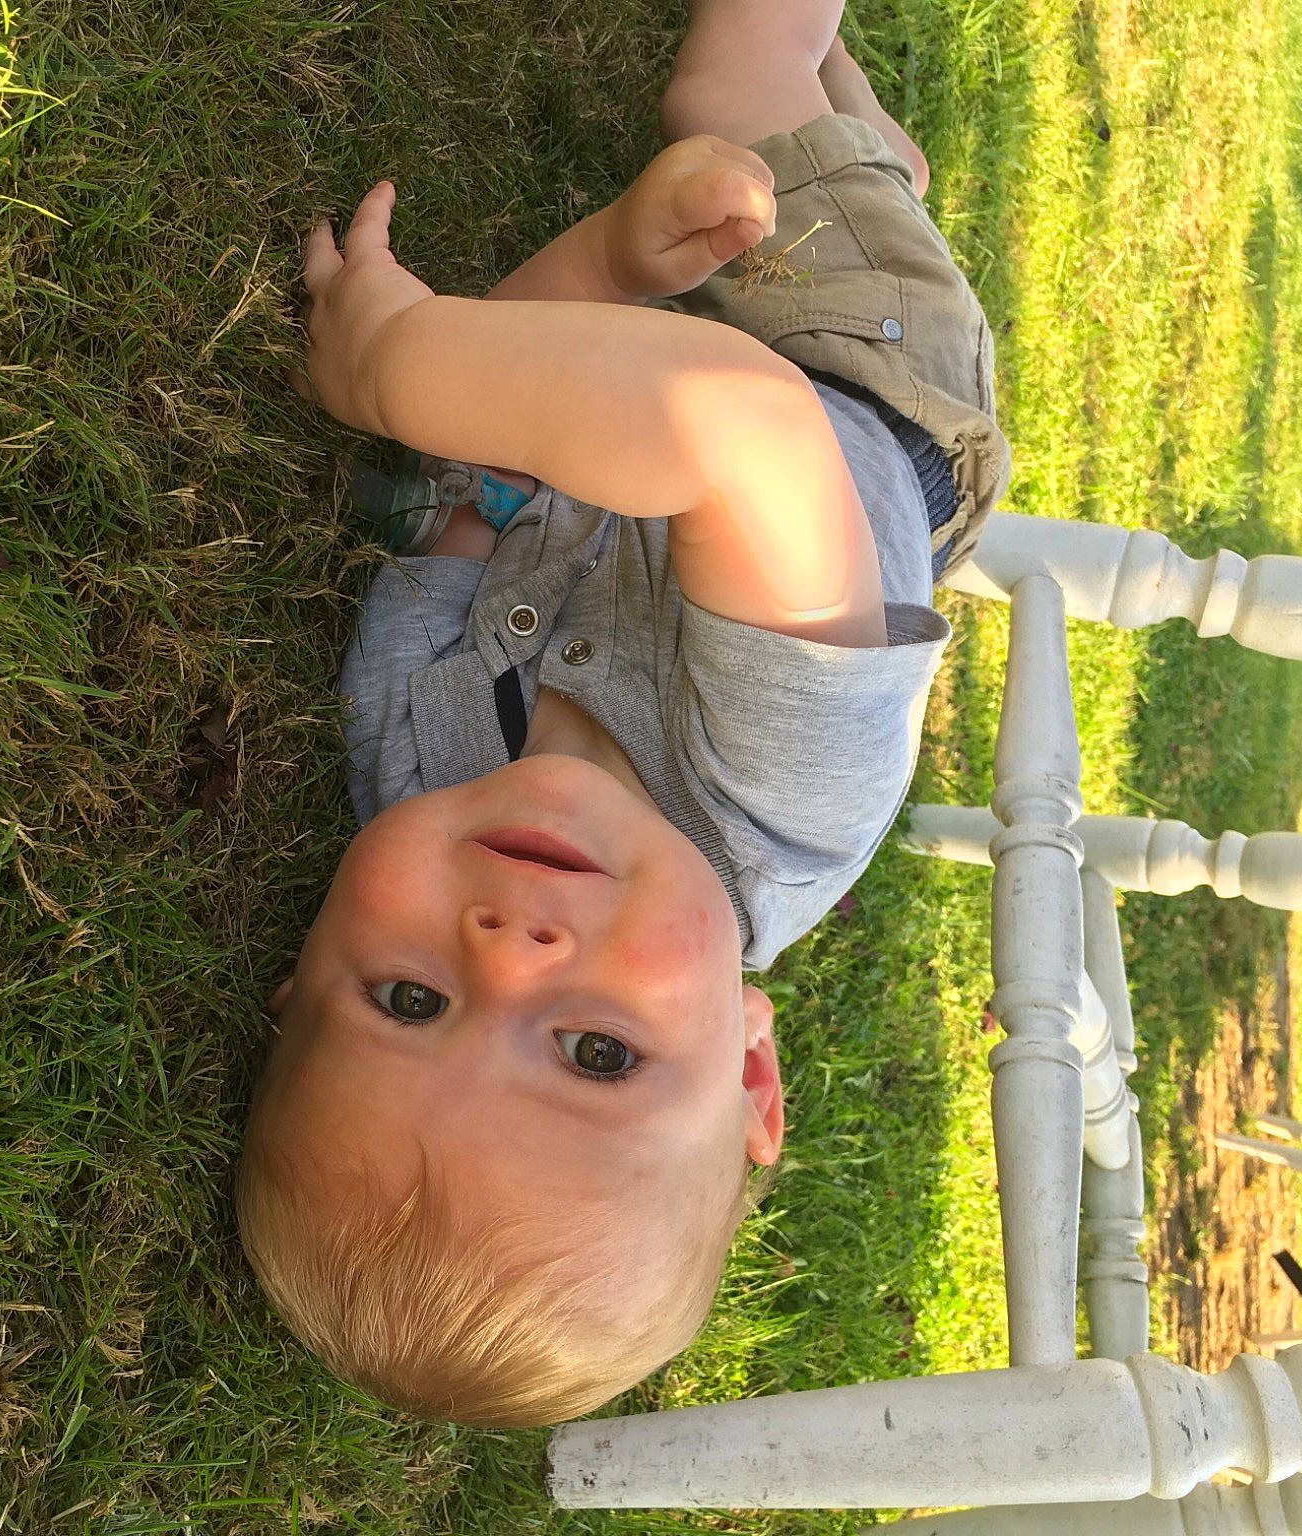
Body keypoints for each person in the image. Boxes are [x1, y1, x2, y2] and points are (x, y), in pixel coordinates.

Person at [238, 0, 1009, 1429]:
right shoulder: (783, 801)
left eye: (407, 1002)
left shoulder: (412, 760)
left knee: (791, 144)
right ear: (752, 1068)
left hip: (672, 365)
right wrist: (389, 363)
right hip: (866, 376)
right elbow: (744, 430)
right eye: (598, 1055)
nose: (510, 952)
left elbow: (469, 474)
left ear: (298, 981)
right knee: (735, 82)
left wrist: (609, 262)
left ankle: (861, 146)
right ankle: (852, 156)